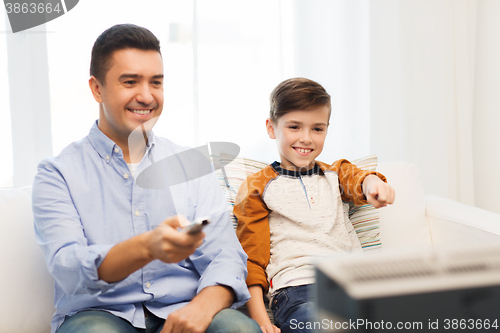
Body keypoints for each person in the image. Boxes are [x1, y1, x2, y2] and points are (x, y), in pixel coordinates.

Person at [32, 24, 260, 333]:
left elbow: (226, 257)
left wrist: (202, 307)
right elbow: (69, 268)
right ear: (97, 88)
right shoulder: (57, 173)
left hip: (184, 307)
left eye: (156, 82)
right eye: (130, 82)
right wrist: (147, 247)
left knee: (238, 329)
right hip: (100, 314)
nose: (146, 96)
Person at [234, 78, 396, 333]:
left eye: (317, 129)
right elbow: (251, 261)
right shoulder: (256, 186)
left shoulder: (335, 173)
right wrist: (262, 322)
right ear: (271, 127)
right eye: (295, 127)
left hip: (354, 285)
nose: (306, 138)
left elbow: (359, 180)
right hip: (298, 291)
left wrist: (373, 184)